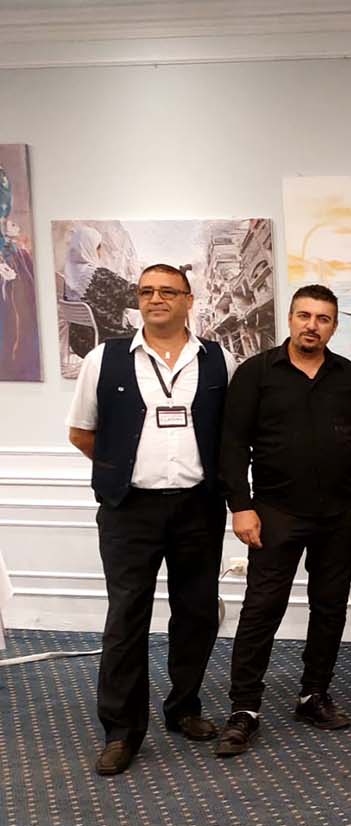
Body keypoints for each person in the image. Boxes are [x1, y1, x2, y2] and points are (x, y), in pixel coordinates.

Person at [65, 263, 236, 776]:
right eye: (146, 292)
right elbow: (82, 432)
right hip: (130, 509)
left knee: (197, 613)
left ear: (188, 300)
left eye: (167, 291)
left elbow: (231, 435)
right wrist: (123, 468)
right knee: (126, 618)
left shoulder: (219, 359)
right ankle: (121, 731)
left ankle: (183, 706)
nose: (155, 299)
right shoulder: (105, 358)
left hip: (198, 506)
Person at [213, 285, 351, 757]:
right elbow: (232, 444)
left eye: (323, 319)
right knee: (262, 609)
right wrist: (240, 506)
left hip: (339, 513)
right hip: (275, 512)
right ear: (290, 318)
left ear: (334, 327)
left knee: (330, 608)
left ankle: (313, 694)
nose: (312, 326)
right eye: (304, 315)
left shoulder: (349, 377)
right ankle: (245, 708)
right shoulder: (256, 373)